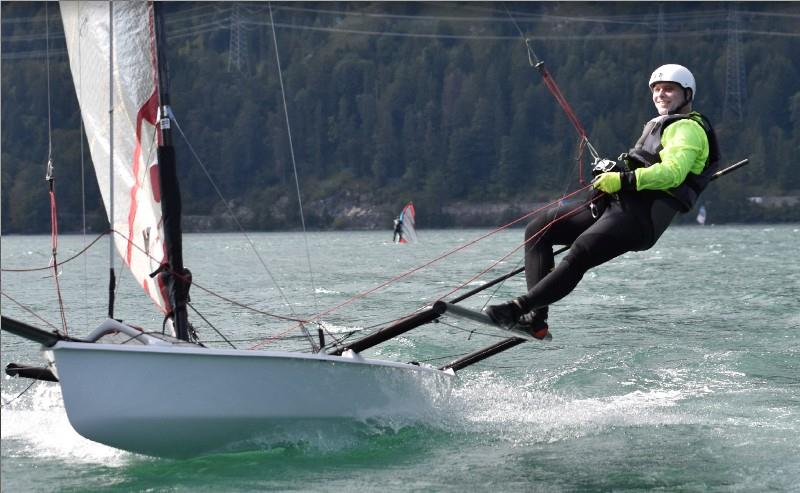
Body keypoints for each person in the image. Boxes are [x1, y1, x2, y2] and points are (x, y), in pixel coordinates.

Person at [484, 64, 720, 340]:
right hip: (619, 206)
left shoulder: (688, 130)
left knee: (581, 252)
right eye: (656, 90)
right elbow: (643, 165)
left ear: (687, 94)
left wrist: (622, 180)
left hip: (640, 218)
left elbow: (672, 174)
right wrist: (614, 171)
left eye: (669, 89)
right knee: (539, 229)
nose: (661, 95)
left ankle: (516, 310)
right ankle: (536, 320)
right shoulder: (660, 125)